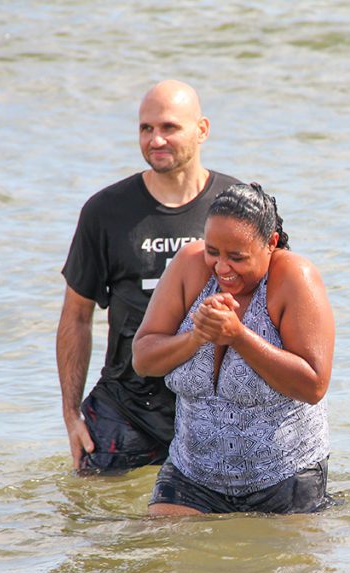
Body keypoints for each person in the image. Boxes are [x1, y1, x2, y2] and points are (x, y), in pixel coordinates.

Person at [56, 80, 239, 472]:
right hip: (127, 404)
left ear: (202, 129)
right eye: (146, 128)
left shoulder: (235, 204)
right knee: (101, 522)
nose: (156, 140)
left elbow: (272, 304)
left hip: (210, 403)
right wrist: (71, 415)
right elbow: (76, 315)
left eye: (169, 127)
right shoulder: (105, 212)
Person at [132, 183, 335, 515]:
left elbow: (313, 385)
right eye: (213, 251)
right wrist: (195, 337)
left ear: (270, 244)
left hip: (284, 476)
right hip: (192, 476)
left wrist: (238, 336)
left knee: (284, 567)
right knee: (162, 556)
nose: (222, 267)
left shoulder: (295, 277)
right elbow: (143, 359)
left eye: (237, 257)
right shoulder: (189, 265)